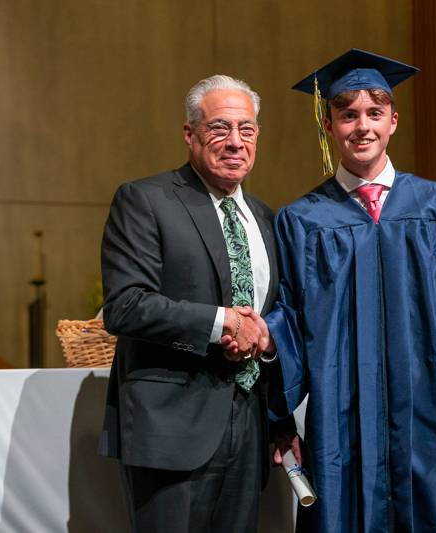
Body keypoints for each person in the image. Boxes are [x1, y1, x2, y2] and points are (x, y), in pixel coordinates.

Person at [262, 49, 436, 533]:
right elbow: (288, 322)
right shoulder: (302, 221)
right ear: (328, 126)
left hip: (428, 421)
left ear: (394, 120)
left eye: (374, 113)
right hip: (339, 424)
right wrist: (280, 420)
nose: (362, 126)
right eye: (347, 115)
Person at [98, 74, 283, 532]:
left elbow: (273, 311)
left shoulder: (264, 216)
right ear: (190, 134)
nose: (235, 142)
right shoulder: (145, 200)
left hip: (248, 426)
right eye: (220, 128)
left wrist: (265, 337)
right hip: (172, 428)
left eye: (247, 129)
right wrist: (223, 323)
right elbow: (125, 305)